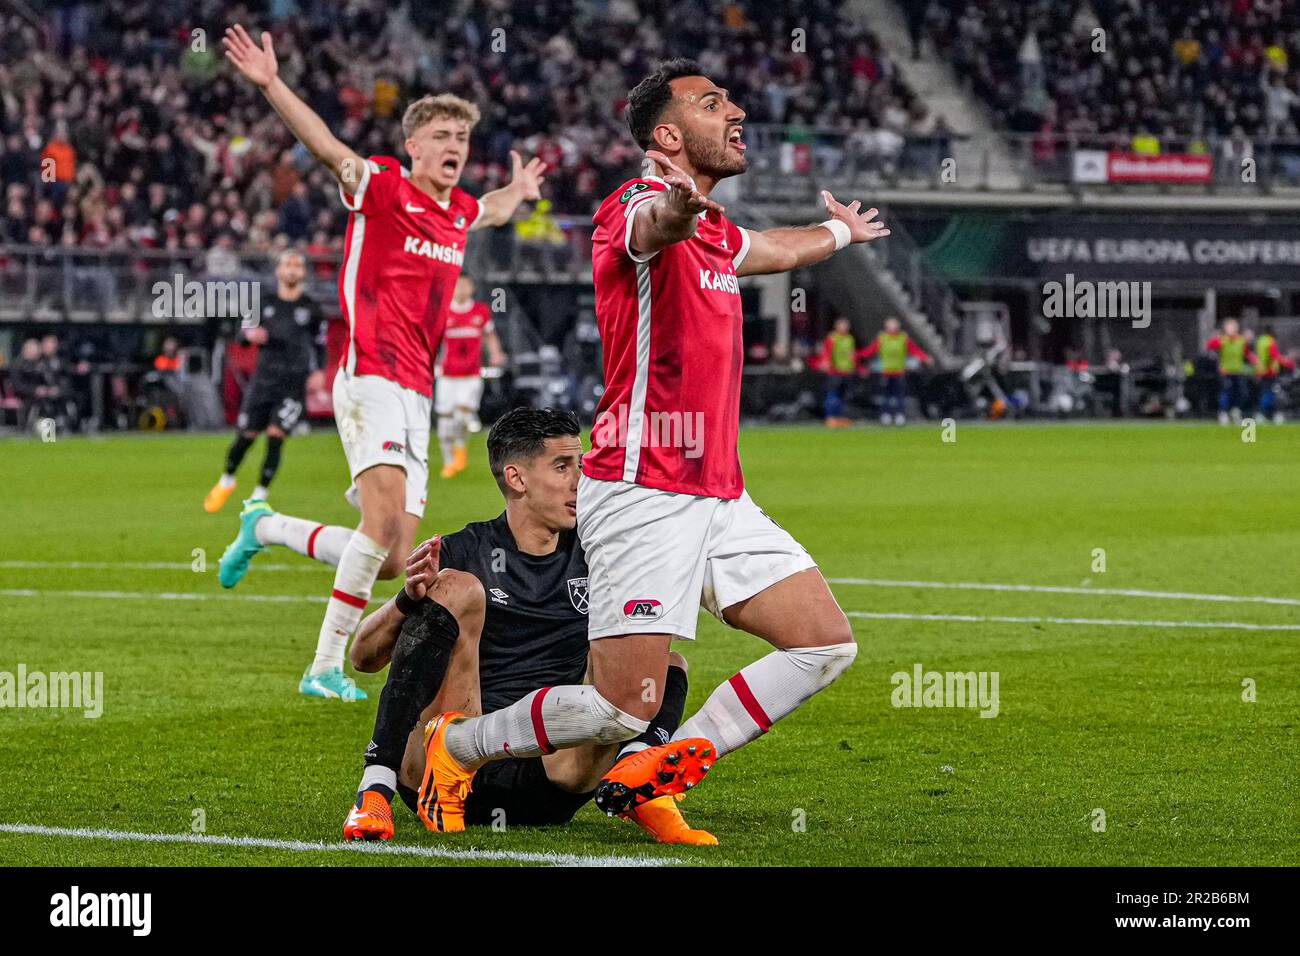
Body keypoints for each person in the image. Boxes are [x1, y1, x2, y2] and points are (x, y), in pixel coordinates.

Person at [416, 58, 890, 836]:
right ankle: (457, 745)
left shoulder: (717, 231)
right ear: (668, 135)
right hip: (643, 490)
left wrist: (842, 230)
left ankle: (663, 763)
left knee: (823, 644)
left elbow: (771, 247)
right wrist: (675, 210)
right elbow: (650, 228)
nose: (736, 108)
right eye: (714, 102)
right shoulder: (634, 208)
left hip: (719, 495)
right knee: (615, 705)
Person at [217, 24, 546, 702]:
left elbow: (494, 209)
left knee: (397, 558)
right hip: (369, 373)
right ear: (413, 145)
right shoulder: (382, 188)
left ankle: (267, 526)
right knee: (379, 524)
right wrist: (273, 83)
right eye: (443, 138)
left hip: (416, 391)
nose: (455, 148)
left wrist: (522, 188)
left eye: (462, 139)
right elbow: (325, 145)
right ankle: (323, 665)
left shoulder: (458, 213)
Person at [342, 407, 711, 844]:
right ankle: (376, 786)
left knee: (662, 660)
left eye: (581, 464)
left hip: (556, 778)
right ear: (517, 479)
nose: (581, 480)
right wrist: (408, 599)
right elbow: (362, 658)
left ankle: (636, 776)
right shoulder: (464, 550)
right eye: (562, 466)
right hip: (445, 772)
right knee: (458, 589)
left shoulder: (596, 551)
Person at [204, 250, 322, 510]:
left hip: (293, 382)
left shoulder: (310, 308)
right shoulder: (262, 302)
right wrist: (250, 335)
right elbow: (242, 332)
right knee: (246, 435)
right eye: (287, 265)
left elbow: (319, 342)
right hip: (264, 380)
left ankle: (259, 495)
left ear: (302, 272)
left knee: (276, 434)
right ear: (278, 271)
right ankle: (227, 480)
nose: (292, 269)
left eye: (297, 265)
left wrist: (318, 371)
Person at [435, 274, 505, 478]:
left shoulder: (480, 311)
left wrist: (495, 353)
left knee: (463, 413)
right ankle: (450, 461)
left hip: (471, 374)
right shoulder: (444, 312)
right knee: (446, 421)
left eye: (465, 285)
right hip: (447, 375)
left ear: (471, 288)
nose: (461, 289)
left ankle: (460, 450)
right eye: (457, 286)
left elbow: (489, 336)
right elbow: (434, 342)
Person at [858, 316, 933, 425]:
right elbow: (869, 351)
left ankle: (899, 415)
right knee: (886, 395)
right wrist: (857, 355)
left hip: (899, 372)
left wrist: (925, 357)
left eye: (895, 326)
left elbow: (914, 350)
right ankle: (886, 415)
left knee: (899, 395)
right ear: (886, 327)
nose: (893, 328)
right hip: (886, 372)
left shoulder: (903, 338)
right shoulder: (882, 338)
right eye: (891, 326)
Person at [1206, 318, 1255, 425]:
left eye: (1233, 327)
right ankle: (1223, 413)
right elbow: (1209, 346)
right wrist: (1215, 337)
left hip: (1238, 371)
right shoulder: (1222, 340)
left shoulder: (1241, 340)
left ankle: (1235, 411)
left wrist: (1254, 360)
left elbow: (1246, 353)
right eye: (1229, 327)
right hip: (1226, 371)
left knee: (1241, 393)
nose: (1232, 329)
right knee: (1225, 393)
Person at [818, 317, 860, 427]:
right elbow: (826, 352)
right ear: (837, 326)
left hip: (847, 371)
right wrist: (826, 362)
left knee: (844, 396)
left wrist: (856, 366)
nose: (844, 327)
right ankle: (830, 417)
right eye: (842, 325)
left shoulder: (850, 339)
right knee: (832, 395)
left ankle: (840, 417)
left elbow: (851, 355)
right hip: (835, 371)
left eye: (846, 325)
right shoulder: (832, 338)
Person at [1253, 324, 1296, 424]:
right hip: (1269, 371)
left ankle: (1266, 413)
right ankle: (1263, 413)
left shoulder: (1260, 341)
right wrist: (1289, 363)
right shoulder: (1270, 341)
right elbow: (1275, 355)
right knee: (1269, 393)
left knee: (1267, 392)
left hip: (1261, 370)